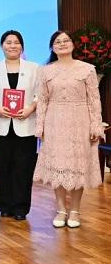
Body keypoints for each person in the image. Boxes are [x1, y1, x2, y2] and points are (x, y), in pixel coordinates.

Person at [33, 30, 104, 229]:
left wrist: (95, 125)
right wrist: (40, 126)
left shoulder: (87, 69)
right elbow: (43, 100)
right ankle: (61, 209)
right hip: (54, 121)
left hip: (80, 121)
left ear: (73, 45)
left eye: (66, 41)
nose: (62, 44)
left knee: (76, 167)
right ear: (52, 47)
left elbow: (94, 100)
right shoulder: (45, 71)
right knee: (59, 166)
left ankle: (75, 210)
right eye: (58, 41)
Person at [0, 30, 39, 221]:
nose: (12, 46)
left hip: (26, 124)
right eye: (8, 42)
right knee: (1, 167)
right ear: (2, 46)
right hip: (0, 123)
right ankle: (5, 205)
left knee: (23, 167)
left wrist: (31, 108)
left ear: (22, 46)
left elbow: (40, 93)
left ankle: (20, 207)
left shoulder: (34, 68)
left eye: (16, 42)